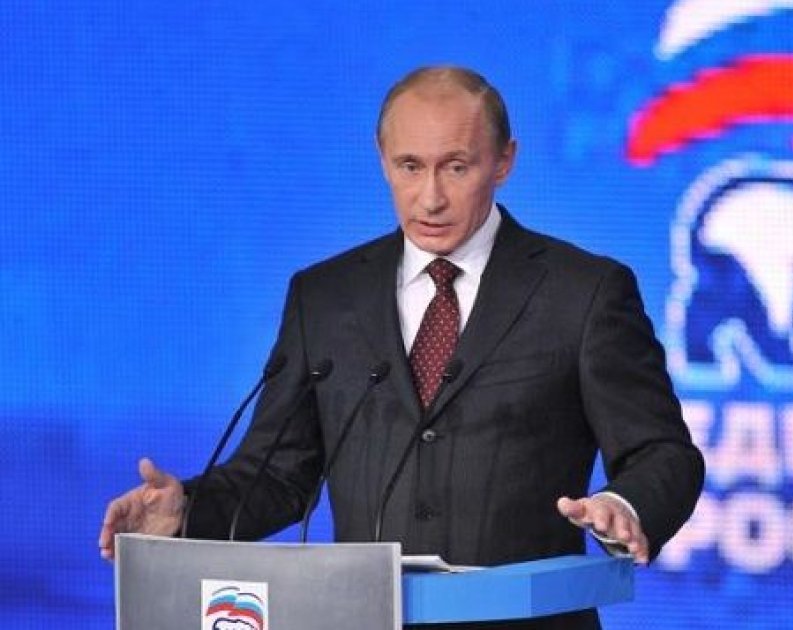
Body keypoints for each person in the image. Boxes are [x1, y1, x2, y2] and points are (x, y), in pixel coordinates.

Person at [98, 66, 705, 628]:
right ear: (382, 159)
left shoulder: (583, 293)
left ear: (504, 161)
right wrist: (188, 511)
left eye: (456, 167)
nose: (430, 197)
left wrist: (624, 504)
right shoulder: (325, 296)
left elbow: (663, 454)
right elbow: (279, 472)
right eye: (410, 166)